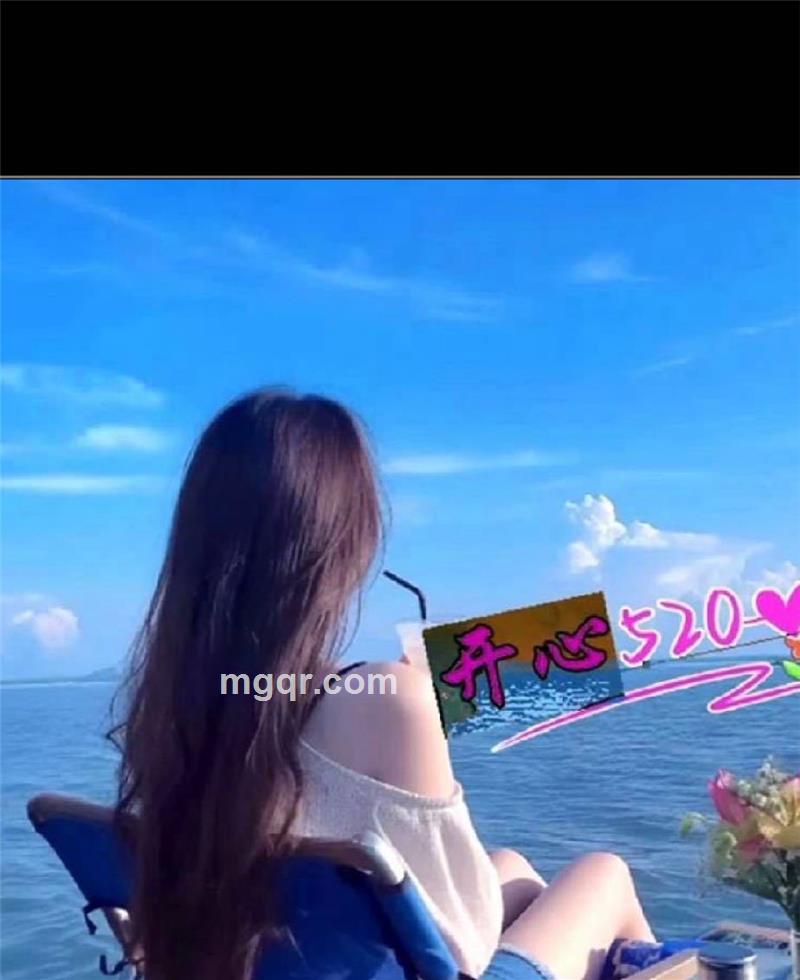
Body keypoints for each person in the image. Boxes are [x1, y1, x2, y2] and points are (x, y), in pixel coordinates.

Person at [110, 388, 655, 980]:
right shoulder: (389, 698)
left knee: (512, 869)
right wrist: (416, 704)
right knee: (603, 874)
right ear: (339, 546)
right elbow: (468, 941)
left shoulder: (172, 707)